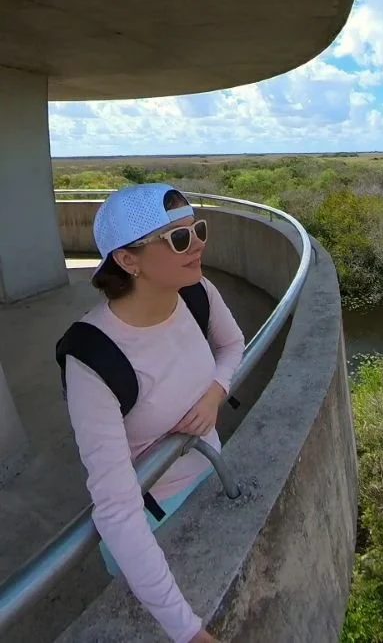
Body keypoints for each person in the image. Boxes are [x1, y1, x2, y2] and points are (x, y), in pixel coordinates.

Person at [60, 183, 245, 643]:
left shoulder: (197, 291)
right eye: (179, 238)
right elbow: (116, 508)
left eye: (197, 229)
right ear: (128, 260)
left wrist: (214, 393)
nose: (198, 243)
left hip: (213, 475)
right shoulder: (93, 358)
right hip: (155, 520)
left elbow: (232, 344)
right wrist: (187, 632)